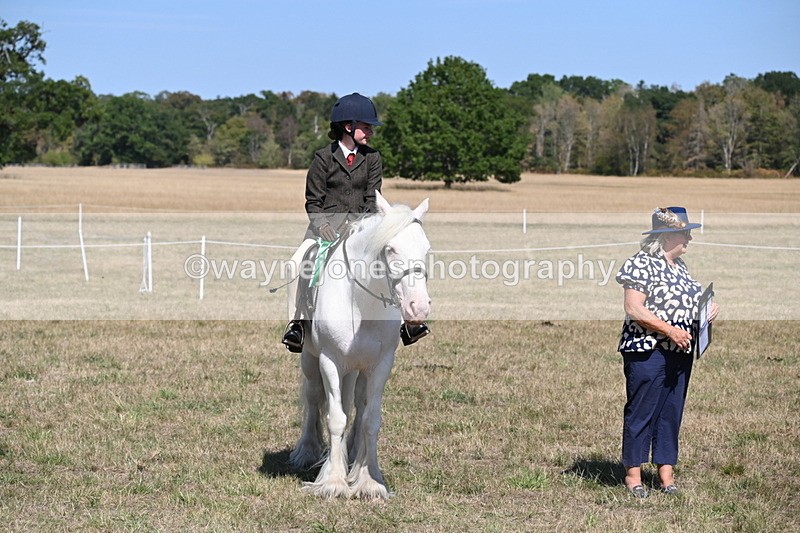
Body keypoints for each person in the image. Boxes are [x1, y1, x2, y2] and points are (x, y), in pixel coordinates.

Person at [281, 93, 430, 352]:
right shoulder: (322, 159)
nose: (370, 131)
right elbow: (313, 201)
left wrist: (361, 226)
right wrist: (324, 227)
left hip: (361, 230)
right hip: (324, 230)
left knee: (394, 263)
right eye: (366, 126)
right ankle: (297, 324)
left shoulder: (372, 158)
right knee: (297, 263)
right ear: (348, 127)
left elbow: (374, 197)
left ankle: (405, 323)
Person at [615, 206, 719, 498]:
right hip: (648, 349)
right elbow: (634, 308)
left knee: (671, 411)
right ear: (667, 236)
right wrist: (670, 330)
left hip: (680, 351)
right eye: (685, 233)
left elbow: (689, 303)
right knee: (642, 410)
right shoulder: (641, 263)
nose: (689, 238)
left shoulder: (681, 267)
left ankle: (666, 474)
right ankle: (633, 476)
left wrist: (706, 312)